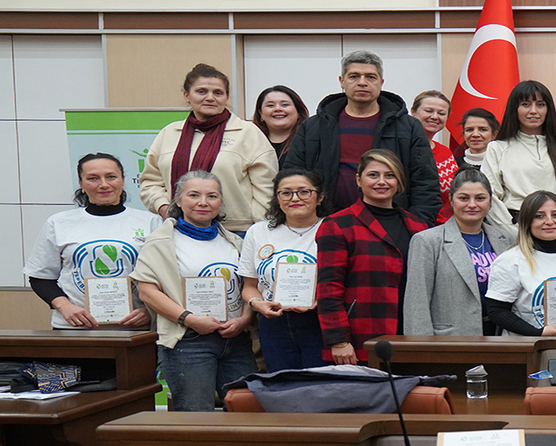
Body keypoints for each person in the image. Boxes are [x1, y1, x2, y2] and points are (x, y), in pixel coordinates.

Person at [130, 171, 252, 411]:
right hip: (188, 340)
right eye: (194, 195)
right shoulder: (161, 242)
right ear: (178, 200)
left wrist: (244, 320)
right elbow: (147, 292)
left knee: (247, 411)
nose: (203, 202)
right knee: (196, 416)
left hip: (234, 339)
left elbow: (249, 286)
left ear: (220, 202)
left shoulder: (235, 242)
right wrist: (189, 319)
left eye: (212, 196)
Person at [282, 50, 442, 224]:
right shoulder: (313, 127)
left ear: (381, 83)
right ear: (342, 81)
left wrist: (415, 226)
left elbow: (425, 183)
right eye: (354, 76)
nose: (362, 83)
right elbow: (292, 177)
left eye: (370, 77)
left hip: (391, 226)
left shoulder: (408, 127)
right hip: (325, 223)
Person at [316, 149, 430, 365]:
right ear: (358, 180)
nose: (382, 181)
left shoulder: (418, 227)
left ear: (399, 181)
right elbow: (328, 289)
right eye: (373, 175)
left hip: (412, 335)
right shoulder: (338, 224)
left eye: (390, 175)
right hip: (360, 339)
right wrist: (338, 340)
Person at [25, 153, 159, 330]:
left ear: (123, 180)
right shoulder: (59, 223)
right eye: (93, 178)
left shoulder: (151, 222)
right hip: (74, 329)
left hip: (137, 330)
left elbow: (167, 277)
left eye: (111, 177)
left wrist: (151, 309)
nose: (103, 184)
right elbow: (40, 277)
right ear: (81, 184)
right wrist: (64, 306)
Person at [139, 63, 278, 233]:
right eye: (201, 91)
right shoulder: (169, 133)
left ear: (227, 97)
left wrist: (259, 230)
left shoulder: (248, 133)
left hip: (236, 232)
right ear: (187, 95)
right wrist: (163, 207)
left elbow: (266, 189)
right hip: (177, 229)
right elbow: (150, 181)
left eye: (218, 93)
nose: (210, 98)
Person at [403, 168, 515, 336]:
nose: (472, 204)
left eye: (480, 198)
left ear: (490, 201)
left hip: (500, 337)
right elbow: (416, 303)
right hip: (450, 340)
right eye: (464, 198)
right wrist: (421, 347)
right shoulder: (427, 241)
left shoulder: (505, 239)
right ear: (451, 200)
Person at [238, 169, 329, 371]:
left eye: (304, 192)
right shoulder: (259, 232)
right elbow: (249, 286)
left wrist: (321, 300)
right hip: (274, 322)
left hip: (320, 320)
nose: (295, 198)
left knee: (321, 384)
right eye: (286, 193)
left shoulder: (333, 228)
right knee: (283, 384)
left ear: (320, 197)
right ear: (277, 198)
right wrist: (258, 304)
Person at [483, 191, 556, 337]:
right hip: (531, 347)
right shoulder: (511, 260)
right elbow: (497, 311)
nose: (549, 221)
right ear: (527, 221)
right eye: (539, 216)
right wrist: (538, 333)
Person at [480, 80, 556, 231]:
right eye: (525, 104)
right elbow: (490, 195)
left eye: (540, 104)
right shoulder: (497, 148)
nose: (533, 111)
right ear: (514, 109)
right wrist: (513, 232)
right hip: (514, 226)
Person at [412, 90, 458, 226]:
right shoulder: (403, 149)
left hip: (449, 227)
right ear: (413, 112)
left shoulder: (445, 152)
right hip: (416, 226)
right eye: (428, 111)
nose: (434, 117)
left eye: (441, 113)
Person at [252, 85, 309, 160]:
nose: (278, 109)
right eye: (270, 105)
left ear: (298, 111)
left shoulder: (310, 140)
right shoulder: (250, 142)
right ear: (261, 113)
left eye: (285, 105)